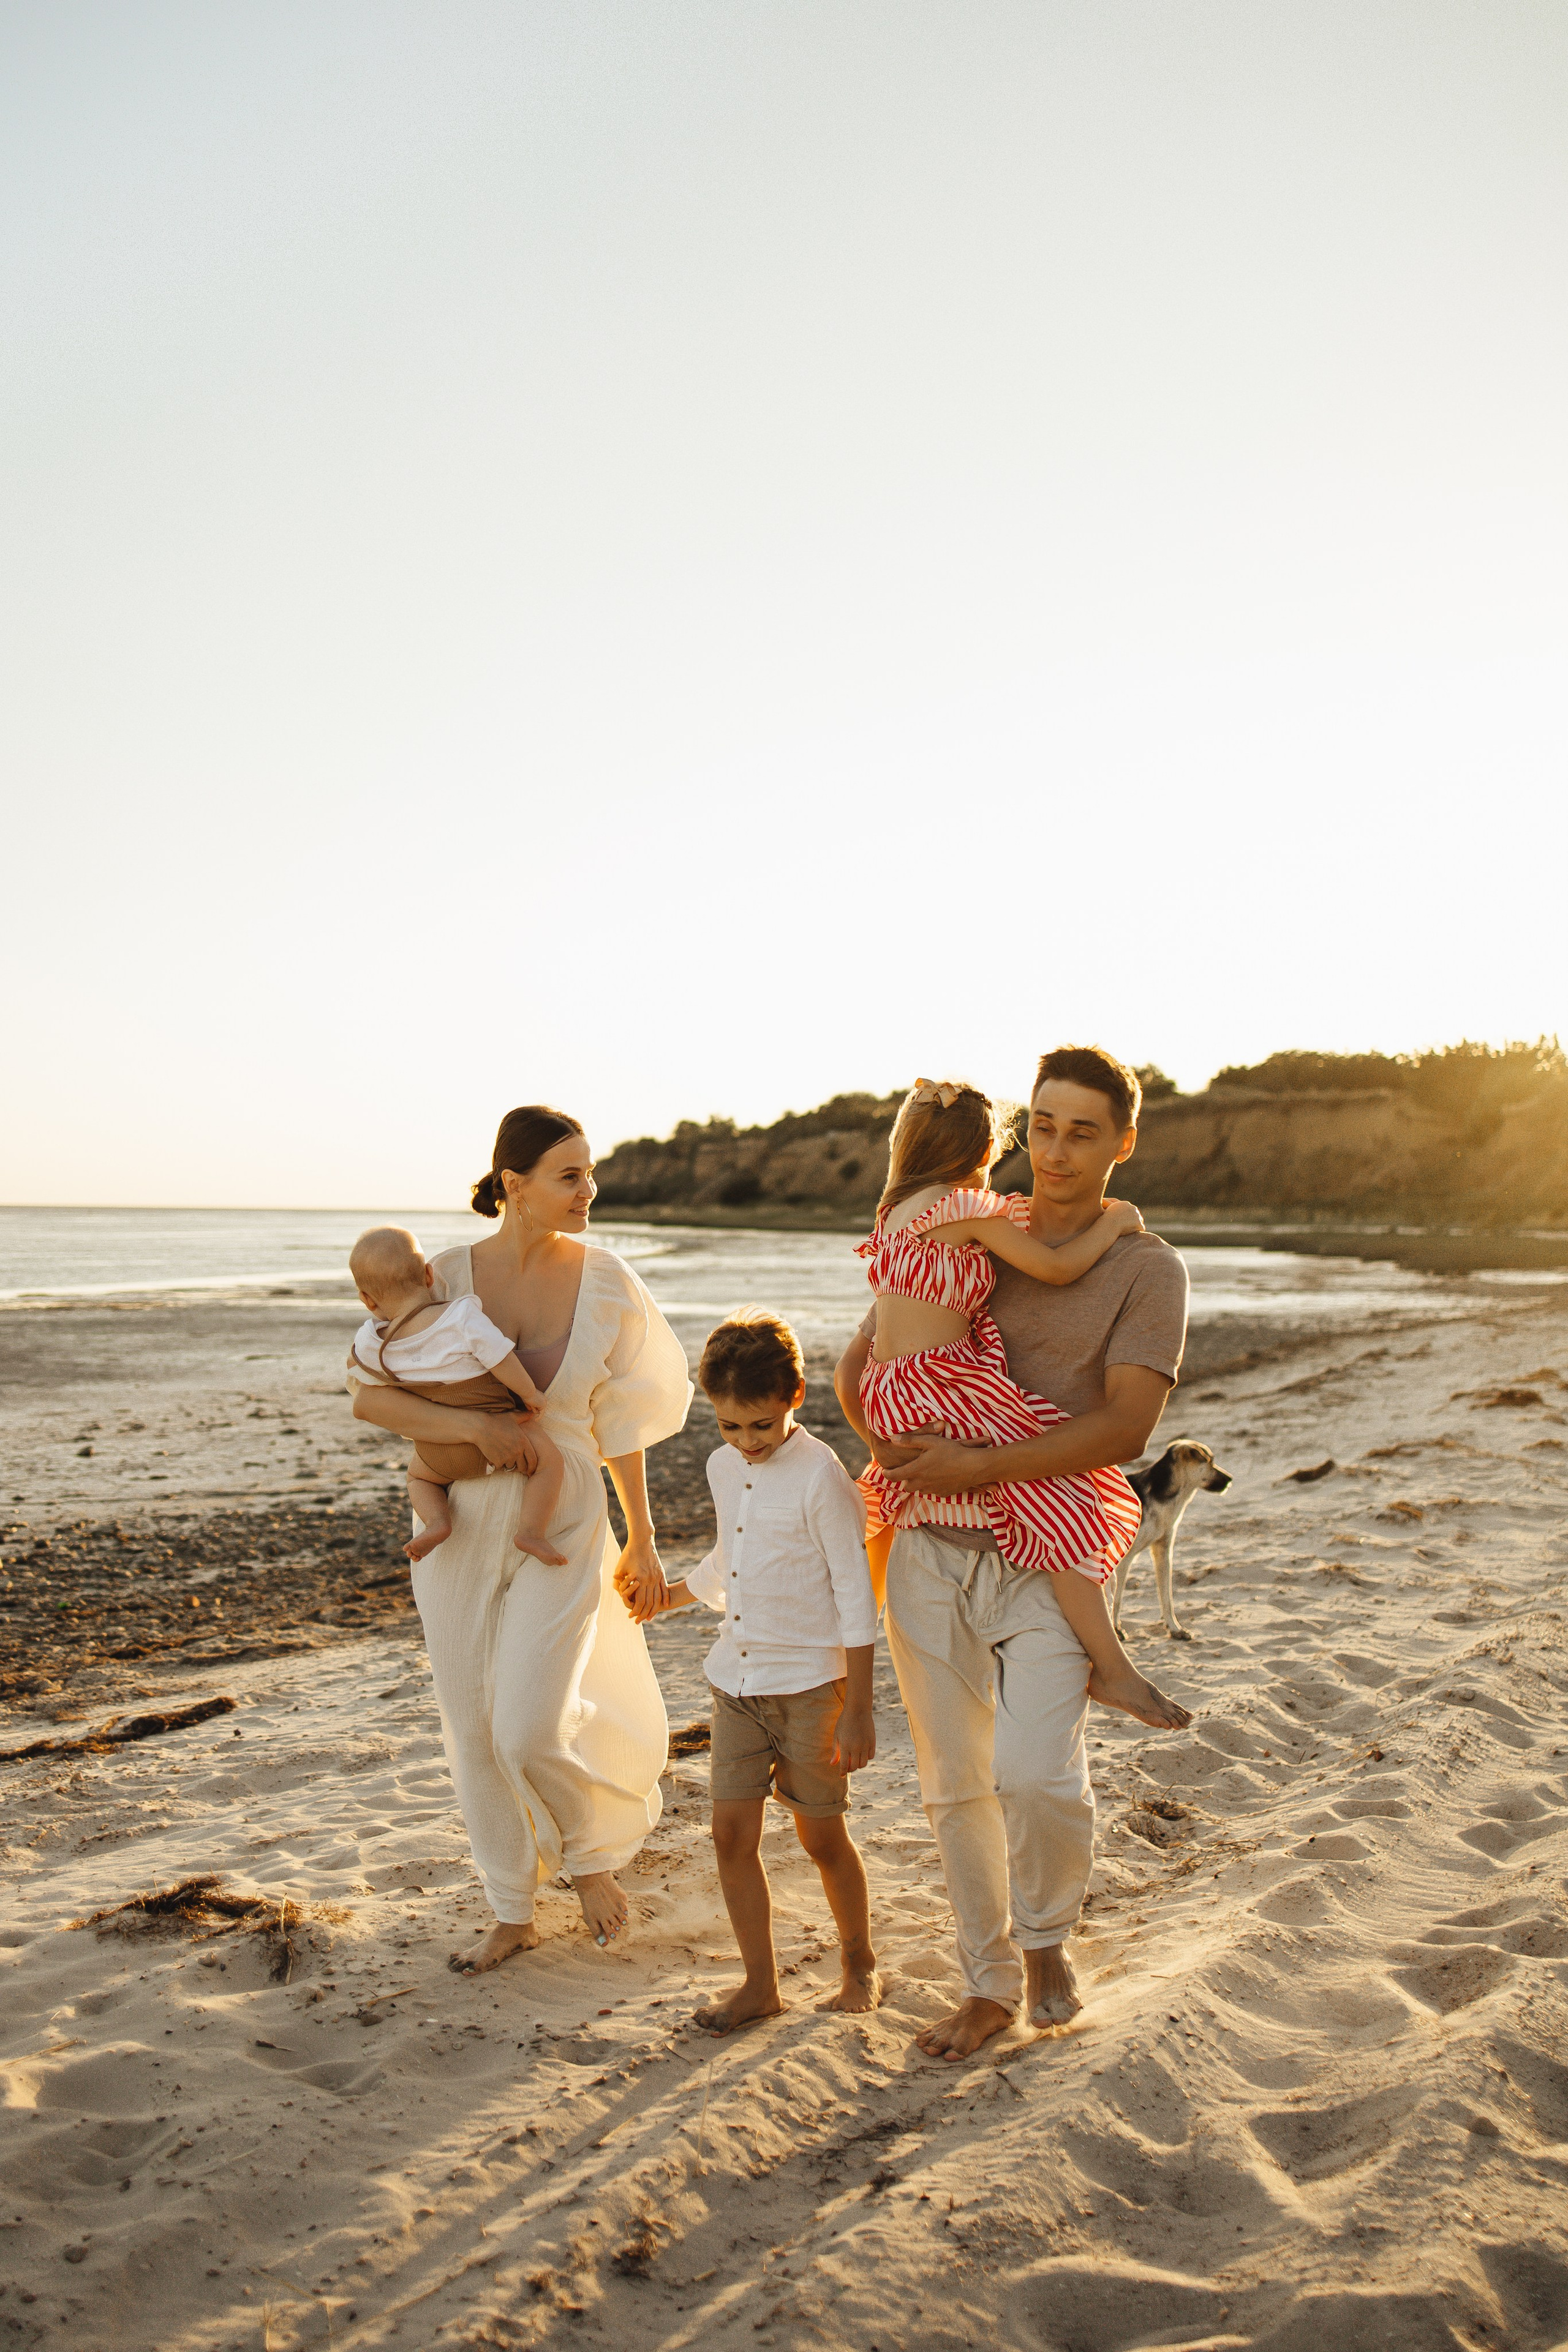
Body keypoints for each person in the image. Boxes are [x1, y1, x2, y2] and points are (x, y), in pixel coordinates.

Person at [836, 1046, 1191, 2058]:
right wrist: (892, 1454)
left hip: (1043, 1550)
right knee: (954, 1784)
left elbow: (1127, 1430)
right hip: (927, 1543)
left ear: (1123, 1143)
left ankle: (1046, 1945)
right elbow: (865, 1359)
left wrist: (978, 1466)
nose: (1058, 1149)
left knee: (1036, 1776)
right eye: (1042, 1125)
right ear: (1019, 1129)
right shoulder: (978, 1227)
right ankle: (990, 1985)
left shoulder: (1143, 1266)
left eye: (1084, 1131)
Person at [349, 1105, 692, 1973]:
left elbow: (622, 1425)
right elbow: (369, 1393)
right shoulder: (441, 1276)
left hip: (566, 1513)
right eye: (570, 1175)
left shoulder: (610, 1281)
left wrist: (643, 1537)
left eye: (590, 1172)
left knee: (529, 1725)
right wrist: (476, 1434)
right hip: (462, 1521)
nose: (590, 1190)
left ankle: (588, 1862)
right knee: (472, 1723)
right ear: (514, 1185)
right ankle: (510, 1907)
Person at [857, 1076, 1185, 1722]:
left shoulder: (895, 1215)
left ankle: (864, 1619)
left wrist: (877, 1437)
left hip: (890, 1391)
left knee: (954, 1493)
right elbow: (1059, 1268)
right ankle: (1112, 1666)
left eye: (1079, 1133)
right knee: (1064, 1498)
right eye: (1035, 1131)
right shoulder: (965, 1213)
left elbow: (867, 1349)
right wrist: (1117, 1218)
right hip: (944, 1384)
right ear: (984, 1153)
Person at [639, 1311, 881, 2033]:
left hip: (811, 1690)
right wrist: (674, 1596)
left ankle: (859, 1960)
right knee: (728, 1837)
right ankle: (759, 1985)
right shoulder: (722, 1467)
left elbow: (854, 1594)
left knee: (821, 1838)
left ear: (794, 1396)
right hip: (735, 1685)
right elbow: (733, 1558)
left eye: (760, 1427)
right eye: (729, 1428)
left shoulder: (822, 1479)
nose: (745, 1444)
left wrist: (859, 1706)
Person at [347, 1223, 565, 1566]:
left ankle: (437, 1522)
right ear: (430, 1275)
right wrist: (530, 1393)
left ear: (367, 1300)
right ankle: (531, 1533)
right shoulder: (460, 1315)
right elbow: (499, 1357)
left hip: (438, 1451)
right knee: (550, 1464)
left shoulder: (373, 1342)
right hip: (504, 1429)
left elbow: (363, 1380)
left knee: (416, 1478)